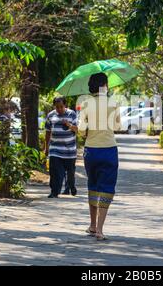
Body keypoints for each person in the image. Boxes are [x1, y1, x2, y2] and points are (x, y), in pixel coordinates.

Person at [78, 73, 121, 241]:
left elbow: (81, 130)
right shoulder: (113, 102)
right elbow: (117, 126)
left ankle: (92, 225)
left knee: (93, 186)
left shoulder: (86, 103)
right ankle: (100, 230)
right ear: (104, 85)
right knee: (107, 188)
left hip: (91, 150)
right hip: (109, 149)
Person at [45, 97, 78, 198]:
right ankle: (54, 191)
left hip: (69, 150)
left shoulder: (72, 114)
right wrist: (46, 147)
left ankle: (71, 186)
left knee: (70, 173)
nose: (59, 109)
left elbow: (77, 130)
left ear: (65, 106)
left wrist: (68, 125)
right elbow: (47, 132)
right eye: (57, 107)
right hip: (55, 149)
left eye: (61, 107)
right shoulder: (51, 115)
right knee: (55, 172)